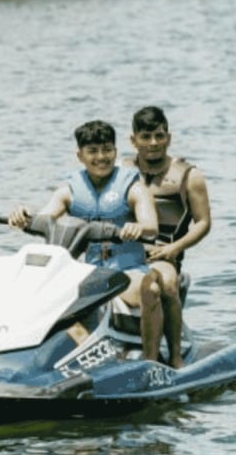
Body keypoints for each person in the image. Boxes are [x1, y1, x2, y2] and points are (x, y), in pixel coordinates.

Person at [9, 119, 165, 362]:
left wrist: (137, 228)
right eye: (92, 151)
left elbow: (151, 226)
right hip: (89, 274)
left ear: (115, 151)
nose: (101, 157)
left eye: (107, 150)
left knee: (151, 289)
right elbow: (43, 218)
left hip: (128, 271)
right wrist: (23, 216)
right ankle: (29, 355)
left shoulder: (133, 188)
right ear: (79, 155)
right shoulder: (69, 191)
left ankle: (152, 360)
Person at [126, 106, 212, 368]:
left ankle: (174, 356)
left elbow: (203, 223)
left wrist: (175, 248)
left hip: (163, 253)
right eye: (146, 137)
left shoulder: (188, 175)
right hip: (125, 253)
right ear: (134, 140)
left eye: (159, 136)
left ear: (169, 137)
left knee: (168, 284)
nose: (153, 143)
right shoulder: (122, 170)